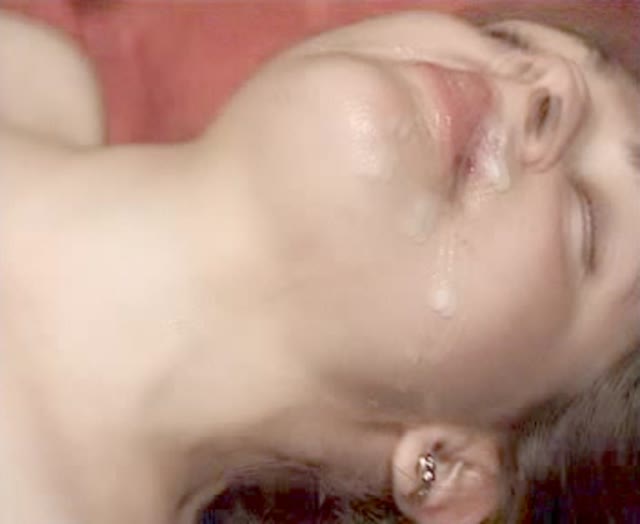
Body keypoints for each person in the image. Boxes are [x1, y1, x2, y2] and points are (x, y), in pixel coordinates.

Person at [0, 8, 638, 524]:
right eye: (509, 39)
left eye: (587, 217)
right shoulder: (34, 68)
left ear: (447, 467)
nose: (554, 81)